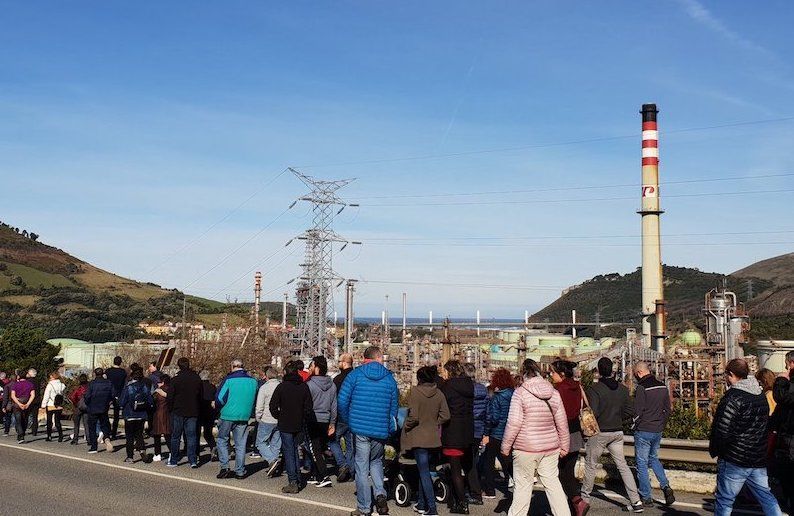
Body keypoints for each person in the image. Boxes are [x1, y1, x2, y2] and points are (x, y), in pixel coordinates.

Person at [710, 358, 782, 516]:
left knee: (725, 500)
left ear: (731, 374)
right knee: (766, 497)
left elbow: (722, 430)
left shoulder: (732, 398)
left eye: (726, 375)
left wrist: (717, 450)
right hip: (757, 458)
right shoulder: (760, 395)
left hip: (734, 458)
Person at [501, 358, 569, 516]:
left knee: (523, 487)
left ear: (523, 374)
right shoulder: (554, 392)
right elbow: (562, 422)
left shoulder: (520, 393)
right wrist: (564, 445)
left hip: (526, 447)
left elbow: (514, 423)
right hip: (550, 446)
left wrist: (505, 447)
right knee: (553, 484)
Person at [338, 346, 399, 516]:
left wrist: (349, 420)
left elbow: (342, 401)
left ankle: (364, 507)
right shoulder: (389, 378)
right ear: (379, 358)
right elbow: (394, 407)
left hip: (359, 428)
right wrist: (389, 425)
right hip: (380, 429)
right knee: (377, 461)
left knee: (362, 467)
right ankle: (380, 493)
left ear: (365, 359)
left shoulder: (355, 375)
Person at [579, 357, 641, 514]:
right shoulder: (623, 389)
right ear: (612, 370)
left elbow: (593, 412)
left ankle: (584, 500)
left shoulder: (595, 389)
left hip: (600, 432)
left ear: (599, 371)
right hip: (617, 431)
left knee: (591, 465)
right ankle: (636, 500)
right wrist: (619, 419)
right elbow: (630, 411)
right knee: (623, 465)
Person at [401, 366, 450, 516]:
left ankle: (432, 508)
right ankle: (422, 504)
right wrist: (434, 423)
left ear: (420, 378)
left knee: (423, 472)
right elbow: (446, 415)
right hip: (433, 438)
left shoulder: (415, 392)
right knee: (426, 470)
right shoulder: (439, 393)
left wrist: (406, 426)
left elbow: (413, 417)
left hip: (418, 437)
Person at [632, 362, 675, 508]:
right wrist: (661, 424)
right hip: (657, 430)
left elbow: (638, 411)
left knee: (642, 464)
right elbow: (668, 410)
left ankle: (646, 496)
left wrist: (634, 425)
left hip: (643, 429)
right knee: (654, 459)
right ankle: (665, 486)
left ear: (639, 373)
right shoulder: (662, 386)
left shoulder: (641, 388)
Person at [270, 360, 313, 494]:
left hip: (285, 423)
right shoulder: (303, 387)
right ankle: (297, 478)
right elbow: (309, 407)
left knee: (289, 452)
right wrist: (302, 417)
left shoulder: (282, 387)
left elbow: (272, 406)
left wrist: (279, 416)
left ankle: (293, 481)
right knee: (294, 450)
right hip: (298, 423)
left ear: (285, 372)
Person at [439, 360, 475, 514]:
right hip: (467, 430)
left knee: (454, 470)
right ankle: (463, 496)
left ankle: (461, 502)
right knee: (465, 467)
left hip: (453, 431)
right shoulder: (469, 385)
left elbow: (443, 409)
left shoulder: (448, 387)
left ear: (450, 371)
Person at [215, 359, 258, 479]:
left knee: (222, 440)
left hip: (228, 414)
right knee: (240, 444)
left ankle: (225, 468)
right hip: (244, 415)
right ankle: (240, 471)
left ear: (232, 367)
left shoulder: (228, 380)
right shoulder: (253, 381)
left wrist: (217, 406)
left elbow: (220, 398)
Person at [550, 359, 583, 511]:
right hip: (576, 432)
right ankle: (572, 506)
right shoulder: (577, 386)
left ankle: (577, 502)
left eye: (553, 372)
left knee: (561, 473)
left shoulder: (559, 390)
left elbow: (556, 412)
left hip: (562, 433)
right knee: (568, 470)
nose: (551, 375)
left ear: (561, 374)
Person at [482, 368, 514, 499]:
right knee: (508, 461)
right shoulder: (515, 394)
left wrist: (486, 433)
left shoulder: (497, 397)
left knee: (488, 461)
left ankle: (490, 490)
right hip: (511, 432)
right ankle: (514, 482)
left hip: (496, 433)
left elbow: (493, 418)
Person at [306, 356, 337, 488]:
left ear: (317, 367)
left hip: (313, 419)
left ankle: (324, 475)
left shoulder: (310, 385)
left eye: (311, 365)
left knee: (314, 448)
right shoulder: (332, 385)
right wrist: (332, 422)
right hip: (326, 419)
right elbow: (334, 405)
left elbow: (307, 405)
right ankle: (315, 474)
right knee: (319, 447)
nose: (310, 368)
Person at [168, 357, 202, 468]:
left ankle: (174, 460)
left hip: (178, 411)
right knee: (191, 436)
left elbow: (170, 397)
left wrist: (170, 409)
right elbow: (200, 395)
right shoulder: (196, 378)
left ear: (179, 366)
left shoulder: (175, 380)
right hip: (193, 410)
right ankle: (193, 460)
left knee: (176, 436)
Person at [118, 367, 154, 463]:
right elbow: (150, 401)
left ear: (132, 376)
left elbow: (121, 402)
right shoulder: (145, 387)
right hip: (141, 415)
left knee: (129, 436)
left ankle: (130, 457)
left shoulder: (128, 387)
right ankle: (142, 450)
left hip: (129, 415)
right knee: (139, 434)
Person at [773, 356, 794, 513]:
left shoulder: (788, 384)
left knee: (787, 470)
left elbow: (781, 398)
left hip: (790, 436)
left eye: (787, 365)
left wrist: (781, 380)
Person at [464, 362, 487, 506]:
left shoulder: (465, 390)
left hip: (466, 428)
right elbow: (487, 412)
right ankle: (474, 488)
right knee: (474, 459)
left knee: (468, 462)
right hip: (479, 429)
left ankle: (474, 492)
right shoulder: (483, 390)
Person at [330, 353, 355, 483]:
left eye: (339, 361)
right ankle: (351, 471)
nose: (338, 363)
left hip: (340, 416)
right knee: (350, 445)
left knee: (332, 440)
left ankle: (342, 463)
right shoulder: (357, 377)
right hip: (354, 416)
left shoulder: (338, 379)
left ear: (344, 363)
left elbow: (334, 400)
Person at [254, 366, 282, 476]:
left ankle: (271, 460)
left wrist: (258, 417)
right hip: (279, 419)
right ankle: (274, 463)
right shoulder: (281, 386)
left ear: (267, 376)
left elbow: (259, 405)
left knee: (260, 443)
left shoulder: (264, 388)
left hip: (266, 418)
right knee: (275, 443)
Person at [84, 367, 114, 454]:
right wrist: (108, 402)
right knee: (104, 424)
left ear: (95, 374)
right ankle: (107, 437)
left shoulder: (92, 384)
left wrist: (88, 403)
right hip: (104, 407)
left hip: (93, 408)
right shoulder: (108, 383)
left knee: (92, 428)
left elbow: (87, 396)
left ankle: (94, 447)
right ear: (103, 374)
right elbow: (112, 394)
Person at [10, 368, 36, 444]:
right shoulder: (30, 384)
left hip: (17, 404)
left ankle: (20, 435)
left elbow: (13, 395)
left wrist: (19, 403)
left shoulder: (15, 384)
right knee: (25, 419)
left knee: (18, 420)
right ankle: (22, 434)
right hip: (27, 402)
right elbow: (33, 395)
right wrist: (28, 404)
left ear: (18, 377)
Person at [106, 356, 127, 440]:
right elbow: (124, 383)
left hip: (109, 394)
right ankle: (114, 432)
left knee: (105, 413)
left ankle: (107, 430)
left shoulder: (108, 371)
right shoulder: (123, 372)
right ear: (120, 362)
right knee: (116, 415)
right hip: (119, 394)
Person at [41, 371, 66, 442]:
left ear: (53, 377)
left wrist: (43, 405)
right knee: (57, 421)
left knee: (49, 421)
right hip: (59, 405)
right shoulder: (62, 385)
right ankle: (60, 436)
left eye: (50, 376)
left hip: (50, 404)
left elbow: (46, 396)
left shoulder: (50, 385)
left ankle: (49, 436)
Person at [152, 374, 171, 462]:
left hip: (158, 414)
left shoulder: (158, 391)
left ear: (162, 382)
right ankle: (172, 452)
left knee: (157, 435)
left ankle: (157, 454)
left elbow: (152, 401)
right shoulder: (171, 390)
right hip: (168, 414)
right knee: (168, 435)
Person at [198, 370, 218, 458]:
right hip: (210, 412)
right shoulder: (212, 387)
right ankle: (213, 446)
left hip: (199, 411)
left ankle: (196, 452)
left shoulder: (198, 387)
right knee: (208, 432)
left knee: (196, 433)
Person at [69, 374, 89, 444]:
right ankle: (89, 439)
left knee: (76, 424)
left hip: (78, 407)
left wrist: (76, 403)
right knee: (86, 424)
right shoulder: (89, 387)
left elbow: (72, 397)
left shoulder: (78, 388)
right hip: (87, 407)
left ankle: (75, 439)